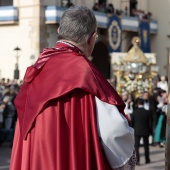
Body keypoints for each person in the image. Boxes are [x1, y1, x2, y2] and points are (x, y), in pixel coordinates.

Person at [10, 5, 135, 170]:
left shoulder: (36, 70)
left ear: (59, 30)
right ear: (92, 38)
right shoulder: (85, 72)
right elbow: (114, 132)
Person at [131, 98, 152, 165]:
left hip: (137, 131)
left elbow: (132, 123)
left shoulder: (134, 112)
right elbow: (150, 123)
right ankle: (147, 159)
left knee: (136, 146)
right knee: (146, 146)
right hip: (146, 131)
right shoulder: (147, 112)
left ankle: (137, 160)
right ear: (143, 103)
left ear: (138, 104)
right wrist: (150, 131)